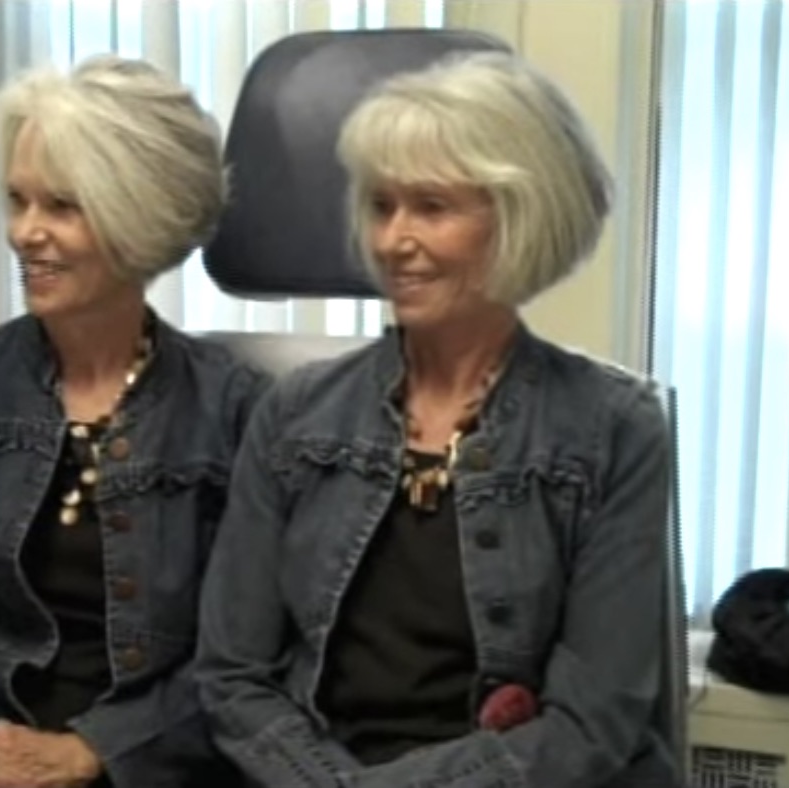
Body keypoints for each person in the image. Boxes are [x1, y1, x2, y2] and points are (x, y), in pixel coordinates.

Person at [195, 51, 676, 787]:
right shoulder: (291, 415)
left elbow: (594, 723)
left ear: (520, 214)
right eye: (382, 207)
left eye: (432, 207)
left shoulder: (614, 427)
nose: (393, 241)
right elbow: (233, 677)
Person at [0, 55, 266, 788]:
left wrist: (87, 752)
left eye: (61, 207)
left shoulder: (236, 412)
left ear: (141, 218)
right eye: (17, 200)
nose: (24, 233)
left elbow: (251, 658)